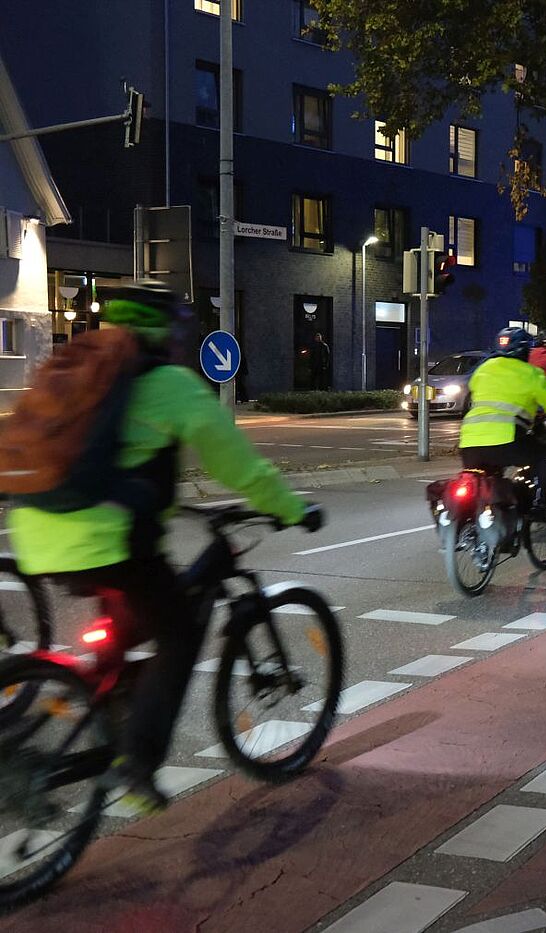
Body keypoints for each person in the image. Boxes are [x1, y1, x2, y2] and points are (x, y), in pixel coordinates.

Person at [5, 282, 314, 813]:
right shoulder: (171, 384)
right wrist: (291, 508)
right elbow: (238, 466)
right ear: (166, 332)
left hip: (34, 529)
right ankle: (137, 766)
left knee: (125, 622)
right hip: (106, 540)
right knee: (178, 632)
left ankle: (106, 701)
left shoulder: (79, 370)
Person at [459, 327, 546, 520]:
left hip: (468, 443)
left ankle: (482, 528)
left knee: (486, 482)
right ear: (526, 351)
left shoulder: (482, 370)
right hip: (506, 440)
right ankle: (540, 505)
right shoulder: (530, 373)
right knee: (543, 456)